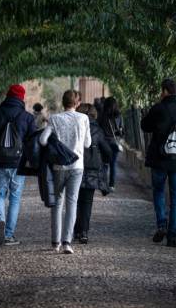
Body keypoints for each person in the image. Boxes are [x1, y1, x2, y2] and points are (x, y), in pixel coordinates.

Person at [140, 78, 176, 248]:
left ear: (164, 91)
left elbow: (145, 126)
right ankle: (172, 236)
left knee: (158, 191)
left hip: (159, 160)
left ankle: (161, 224)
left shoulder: (158, 109)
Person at [0, 84, 36, 246]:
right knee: (15, 198)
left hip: (0, 162)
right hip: (18, 163)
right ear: (21, 98)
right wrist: (30, 159)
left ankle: (0, 219)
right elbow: (33, 141)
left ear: (7, 96)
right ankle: (9, 235)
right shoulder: (27, 117)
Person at [39, 89, 91, 254]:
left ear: (63, 102)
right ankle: (67, 242)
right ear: (77, 103)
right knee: (72, 203)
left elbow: (42, 140)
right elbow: (88, 144)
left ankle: (55, 242)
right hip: (77, 167)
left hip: (58, 167)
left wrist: (56, 147)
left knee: (57, 203)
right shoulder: (84, 118)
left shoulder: (54, 119)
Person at [74, 103, 112, 244]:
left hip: (75, 167)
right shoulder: (98, 130)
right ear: (94, 115)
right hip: (91, 169)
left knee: (75, 201)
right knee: (87, 202)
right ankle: (84, 232)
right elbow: (107, 151)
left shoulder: (75, 127)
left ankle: (76, 231)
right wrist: (105, 161)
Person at [98, 96, 123, 190]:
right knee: (113, 164)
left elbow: (98, 128)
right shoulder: (119, 115)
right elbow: (121, 130)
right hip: (114, 142)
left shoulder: (102, 115)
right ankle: (112, 185)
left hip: (104, 142)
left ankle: (103, 183)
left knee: (104, 164)